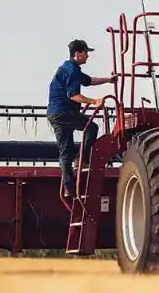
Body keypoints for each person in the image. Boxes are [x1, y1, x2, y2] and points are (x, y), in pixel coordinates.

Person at [47, 39, 116, 199]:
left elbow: (89, 81)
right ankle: (82, 158)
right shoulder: (71, 70)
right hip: (64, 112)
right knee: (92, 127)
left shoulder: (70, 69)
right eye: (86, 53)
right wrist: (94, 101)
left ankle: (68, 187)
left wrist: (108, 80)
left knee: (66, 151)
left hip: (54, 114)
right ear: (78, 53)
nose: (88, 56)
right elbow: (74, 95)